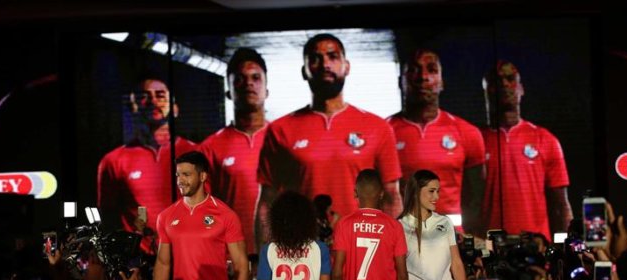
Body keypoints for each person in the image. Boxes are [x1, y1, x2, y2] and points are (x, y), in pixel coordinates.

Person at [255, 33, 403, 249]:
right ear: (304, 71)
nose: (325, 64)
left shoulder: (378, 127)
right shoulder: (280, 130)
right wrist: (264, 262)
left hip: (362, 254)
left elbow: (391, 197)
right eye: (315, 58)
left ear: (347, 66)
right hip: (300, 256)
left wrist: (394, 256)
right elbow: (267, 203)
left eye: (332, 56)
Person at [149, 151, 249, 280]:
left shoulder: (226, 215)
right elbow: (163, 263)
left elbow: (240, 265)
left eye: (186, 174)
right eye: (177, 175)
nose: (180, 181)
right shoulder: (166, 216)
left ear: (203, 176)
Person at [387, 49, 485, 236]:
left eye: (431, 70)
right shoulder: (385, 132)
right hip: (402, 242)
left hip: (452, 242)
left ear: (441, 82)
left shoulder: (467, 132)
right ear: (401, 81)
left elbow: (477, 199)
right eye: (414, 70)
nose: (423, 77)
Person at [97, 75, 197, 254]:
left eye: (160, 95)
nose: (152, 101)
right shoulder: (113, 161)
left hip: (188, 259)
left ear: (174, 108)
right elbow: (108, 219)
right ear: (133, 106)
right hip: (139, 265)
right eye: (144, 96)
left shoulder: (196, 154)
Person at [481, 59, 573, 241]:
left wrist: (561, 249)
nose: (504, 85)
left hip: (535, 248)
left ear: (521, 88)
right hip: (488, 249)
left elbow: (561, 206)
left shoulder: (545, 139)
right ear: (486, 90)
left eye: (510, 78)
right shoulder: (474, 140)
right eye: (496, 81)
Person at [200, 47, 269, 254]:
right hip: (231, 262)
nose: (248, 83)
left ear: (267, 89)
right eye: (239, 78)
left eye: (256, 77)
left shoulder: (284, 141)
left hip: (283, 261)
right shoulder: (210, 148)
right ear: (228, 91)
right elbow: (201, 212)